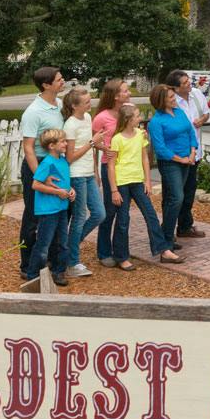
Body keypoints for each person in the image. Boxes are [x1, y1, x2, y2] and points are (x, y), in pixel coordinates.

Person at [16, 67, 69, 276]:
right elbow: (28, 147)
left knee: (56, 213)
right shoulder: (33, 112)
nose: (63, 81)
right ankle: (27, 265)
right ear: (46, 85)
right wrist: (41, 175)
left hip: (56, 162)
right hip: (37, 165)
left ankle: (51, 261)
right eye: (59, 79)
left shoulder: (58, 105)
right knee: (33, 217)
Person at [106, 103, 170, 267]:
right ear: (128, 120)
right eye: (137, 116)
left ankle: (163, 250)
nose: (140, 118)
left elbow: (145, 159)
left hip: (137, 182)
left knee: (151, 215)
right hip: (121, 183)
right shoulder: (117, 139)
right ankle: (121, 257)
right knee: (123, 220)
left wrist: (148, 181)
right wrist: (114, 190)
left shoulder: (140, 134)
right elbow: (111, 165)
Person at [146, 81, 197, 259]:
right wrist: (180, 159)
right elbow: (160, 148)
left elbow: (191, 132)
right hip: (170, 163)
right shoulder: (156, 121)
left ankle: (166, 239)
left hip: (187, 160)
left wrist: (192, 152)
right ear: (161, 100)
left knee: (172, 200)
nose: (174, 98)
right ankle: (164, 242)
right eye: (170, 97)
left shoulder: (179, 112)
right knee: (176, 198)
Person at [60, 87, 106, 278]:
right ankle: (72, 262)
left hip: (88, 173)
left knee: (99, 213)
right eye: (86, 102)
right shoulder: (70, 125)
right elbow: (69, 157)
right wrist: (92, 142)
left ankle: (70, 247)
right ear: (74, 106)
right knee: (79, 217)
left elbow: (91, 149)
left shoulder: (87, 118)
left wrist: (96, 171)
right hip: (76, 175)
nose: (90, 104)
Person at [25, 128, 76, 285]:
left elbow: (63, 183)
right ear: (52, 145)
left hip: (61, 208)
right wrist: (57, 192)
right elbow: (35, 184)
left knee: (62, 242)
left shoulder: (62, 161)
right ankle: (33, 274)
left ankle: (58, 272)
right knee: (43, 243)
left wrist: (70, 190)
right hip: (48, 210)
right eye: (62, 141)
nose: (66, 144)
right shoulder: (47, 163)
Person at [91, 80, 129, 263]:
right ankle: (104, 252)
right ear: (115, 96)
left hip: (128, 167)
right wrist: (105, 149)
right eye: (125, 90)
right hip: (110, 166)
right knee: (110, 209)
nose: (128, 93)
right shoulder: (102, 117)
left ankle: (120, 250)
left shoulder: (127, 111)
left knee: (124, 210)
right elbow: (92, 142)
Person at [169, 71, 209, 239]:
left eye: (188, 81)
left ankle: (185, 226)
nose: (189, 84)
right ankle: (169, 230)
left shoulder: (197, 94)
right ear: (176, 88)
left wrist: (202, 120)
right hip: (178, 155)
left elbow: (206, 113)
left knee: (190, 191)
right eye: (185, 83)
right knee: (176, 194)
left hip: (195, 152)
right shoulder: (171, 101)